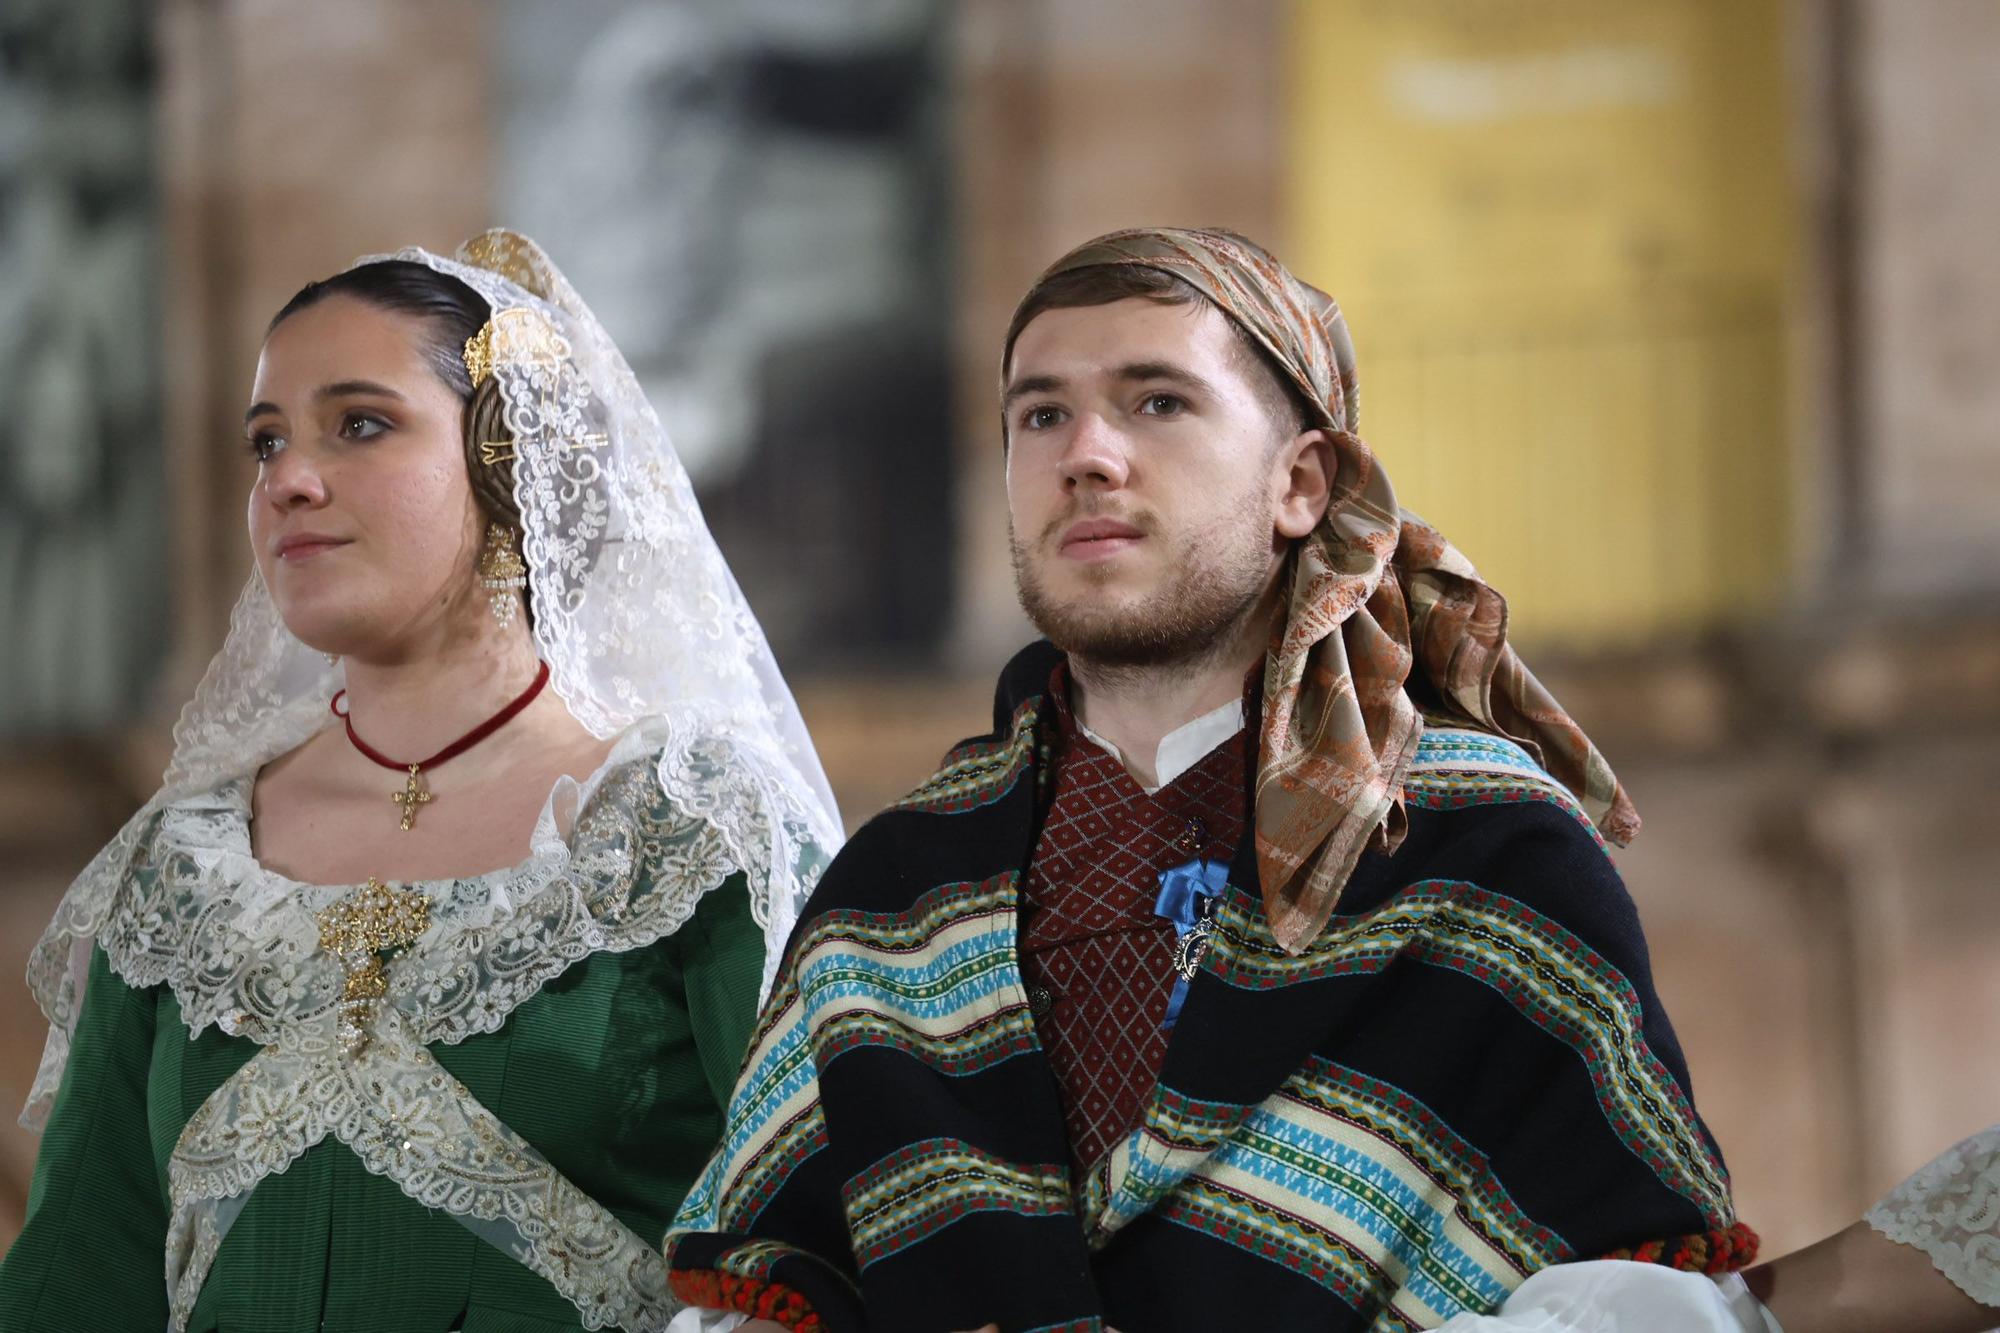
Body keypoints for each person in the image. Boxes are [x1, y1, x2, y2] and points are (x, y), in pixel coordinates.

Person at [662, 226, 1758, 1332]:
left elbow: (1632, 1303)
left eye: (1157, 402)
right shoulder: (896, 888)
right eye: (1039, 414)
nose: (1084, 454)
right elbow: (762, 1299)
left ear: (1300, 483)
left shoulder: (1478, 850)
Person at [0, 230, 841, 1332]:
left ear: (505, 457)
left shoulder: (687, 832)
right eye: (265, 443)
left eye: (360, 425)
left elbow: (815, 1247)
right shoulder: (184, 867)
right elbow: (80, 1270)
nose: (290, 480)